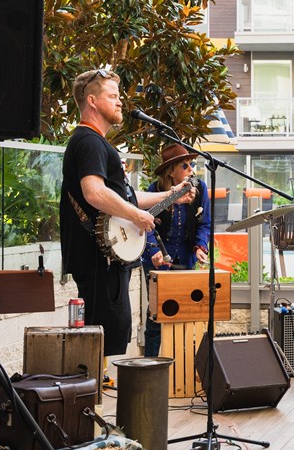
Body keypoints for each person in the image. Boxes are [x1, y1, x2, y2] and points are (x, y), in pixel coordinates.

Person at [60, 68, 194, 360]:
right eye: (113, 96)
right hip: (98, 260)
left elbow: (126, 198)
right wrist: (136, 216)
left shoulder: (94, 142)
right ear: (92, 101)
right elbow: (94, 192)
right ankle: (93, 391)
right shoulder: (89, 141)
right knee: (101, 340)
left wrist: (172, 195)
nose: (120, 102)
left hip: (106, 259)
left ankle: (96, 389)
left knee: (111, 336)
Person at [139, 144, 211, 357]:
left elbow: (204, 223)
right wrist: (153, 249)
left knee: (185, 312)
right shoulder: (155, 191)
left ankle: (183, 364)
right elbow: (144, 223)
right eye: (185, 165)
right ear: (171, 171)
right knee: (156, 314)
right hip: (157, 259)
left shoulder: (200, 188)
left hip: (185, 257)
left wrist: (200, 246)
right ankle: (151, 364)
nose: (191, 169)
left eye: (192, 164)